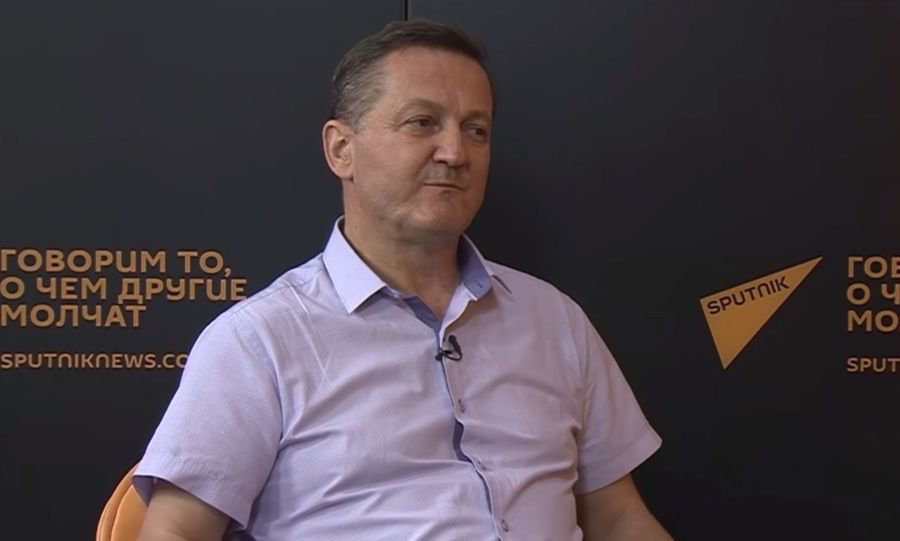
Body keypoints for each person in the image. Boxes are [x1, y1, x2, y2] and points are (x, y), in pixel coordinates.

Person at [135, 19, 674, 541]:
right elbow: (176, 531)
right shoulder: (260, 341)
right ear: (341, 150)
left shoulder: (555, 319)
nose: (455, 153)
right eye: (422, 123)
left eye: (476, 130)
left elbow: (617, 518)